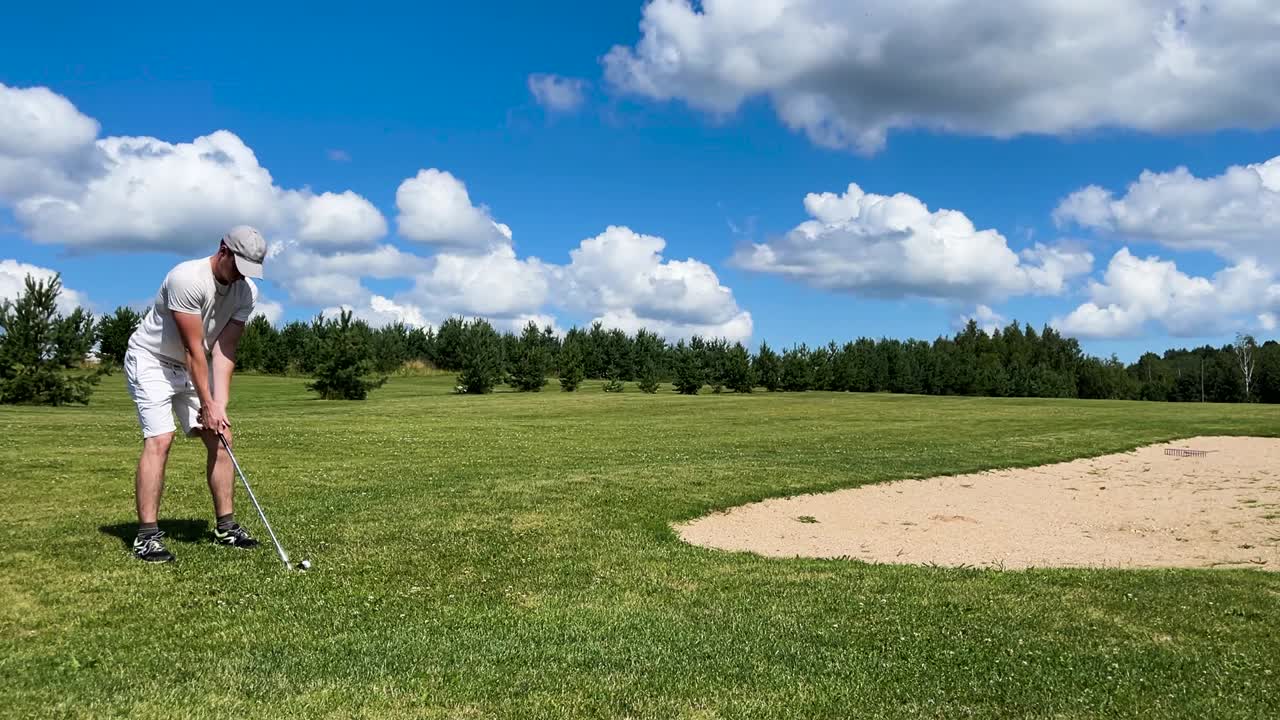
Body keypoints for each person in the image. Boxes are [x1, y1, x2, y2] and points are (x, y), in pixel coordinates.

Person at [122, 226, 268, 563]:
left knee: (222, 436)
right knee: (161, 438)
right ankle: (146, 537)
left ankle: (226, 527)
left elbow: (225, 350)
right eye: (238, 267)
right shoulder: (186, 278)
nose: (239, 278)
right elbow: (193, 350)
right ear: (223, 250)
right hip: (151, 360)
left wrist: (219, 406)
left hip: (192, 364)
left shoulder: (247, 293)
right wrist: (206, 402)